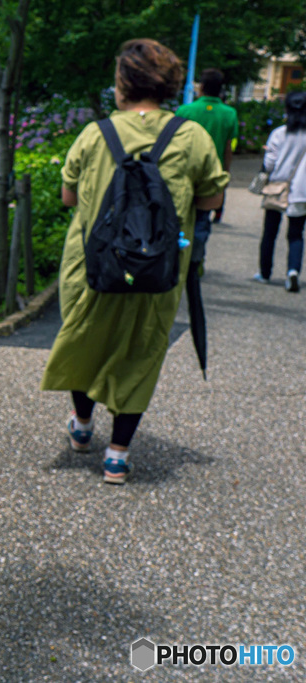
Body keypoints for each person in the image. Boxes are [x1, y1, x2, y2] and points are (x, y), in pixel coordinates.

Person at [40, 38, 228, 484]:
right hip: (159, 266)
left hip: (93, 263)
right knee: (143, 349)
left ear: (123, 83)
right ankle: (118, 456)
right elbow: (212, 198)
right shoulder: (192, 135)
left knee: (85, 338)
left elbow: (69, 196)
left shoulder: (94, 133)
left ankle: (82, 428)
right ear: (169, 86)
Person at [176, 68, 238, 266]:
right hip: (212, 174)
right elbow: (229, 147)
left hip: (184, 173)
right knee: (202, 219)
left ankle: (178, 255)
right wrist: (225, 172)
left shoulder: (185, 110)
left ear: (201, 87)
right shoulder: (229, 113)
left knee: (180, 216)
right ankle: (196, 259)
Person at [254, 90, 306, 292]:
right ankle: (292, 272)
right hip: (302, 190)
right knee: (295, 234)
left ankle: (265, 273)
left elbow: (269, 164)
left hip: (278, 188)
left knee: (270, 232)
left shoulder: (279, 133)